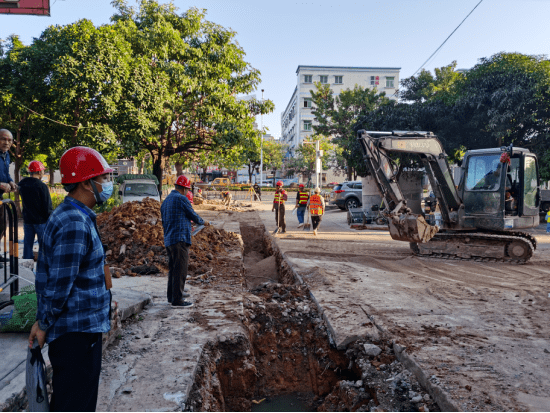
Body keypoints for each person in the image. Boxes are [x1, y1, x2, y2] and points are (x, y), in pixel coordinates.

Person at [28, 146, 114, 412]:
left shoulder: (76, 216)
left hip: (81, 328)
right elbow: (60, 284)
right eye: (104, 179)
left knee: (76, 399)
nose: (108, 184)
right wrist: (43, 324)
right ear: (86, 183)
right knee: (75, 402)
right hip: (77, 331)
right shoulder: (74, 222)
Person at [161, 175, 204, 308]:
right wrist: (201, 222)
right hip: (180, 239)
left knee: (173, 270)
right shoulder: (181, 198)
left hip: (169, 239)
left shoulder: (166, 200)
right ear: (185, 189)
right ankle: (177, 300)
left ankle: (172, 296)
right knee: (181, 270)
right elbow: (192, 215)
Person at [18, 161, 53, 260]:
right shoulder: (42, 186)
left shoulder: (22, 184)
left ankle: (26, 266)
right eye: (42, 171)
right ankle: (43, 267)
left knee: (27, 244)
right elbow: (47, 206)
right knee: (44, 245)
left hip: (27, 220)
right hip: (41, 221)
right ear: (39, 172)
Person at [0, 129, 16, 254]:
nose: (7, 142)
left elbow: (5, 174)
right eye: (3, 139)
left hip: (0, 198)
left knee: (1, 226)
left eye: (9, 140)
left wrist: (10, 181)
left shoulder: (6, 155)